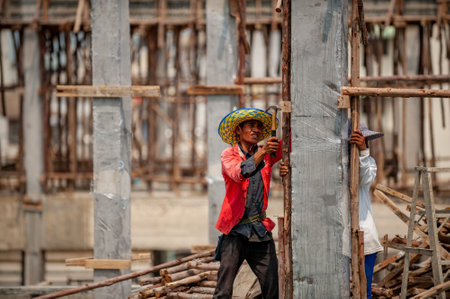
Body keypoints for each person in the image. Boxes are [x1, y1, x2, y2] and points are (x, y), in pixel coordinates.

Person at [213, 108, 288, 299]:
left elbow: (292, 142)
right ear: (239, 130)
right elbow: (239, 173)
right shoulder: (228, 155)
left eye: (258, 127)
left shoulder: (267, 152)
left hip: (259, 229)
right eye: (250, 126)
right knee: (224, 290)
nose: (255, 130)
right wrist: (263, 154)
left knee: (271, 287)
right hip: (235, 229)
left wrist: (287, 168)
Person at [349, 122, 384, 299]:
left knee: (364, 292)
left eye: (365, 141)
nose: (365, 144)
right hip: (340, 243)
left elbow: (363, 178)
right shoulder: (334, 168)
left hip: (365, 238)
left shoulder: (368, 162)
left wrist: (362, 150)